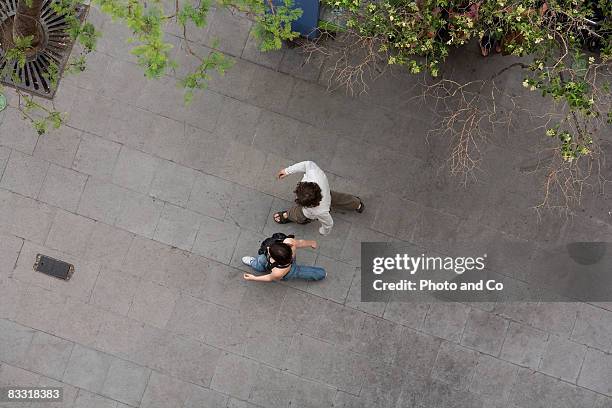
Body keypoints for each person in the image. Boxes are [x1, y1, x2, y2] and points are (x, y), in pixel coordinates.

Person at [272, 160, 364, 235]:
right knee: (339, 198)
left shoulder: (320, 211)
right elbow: (307, 164)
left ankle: (288, 215)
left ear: (311, 204)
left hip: (309, 212)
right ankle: (356, 204)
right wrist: (287, 171)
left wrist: (324, 231)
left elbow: (328, 223)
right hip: (326, 193)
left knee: (298, 213)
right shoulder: (315, 175)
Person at [242, 236, 326, 282]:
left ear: (274, 259)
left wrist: (254, 278)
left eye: (269, 252)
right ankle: (321, 273)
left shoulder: (278, 273)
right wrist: (311, 243)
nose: (267, 249)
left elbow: (270, 278)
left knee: (262, 260)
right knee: (262, 260)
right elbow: (301, 242)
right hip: (287, 263)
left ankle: (254, 263)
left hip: (287, 272)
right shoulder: (289, 242)